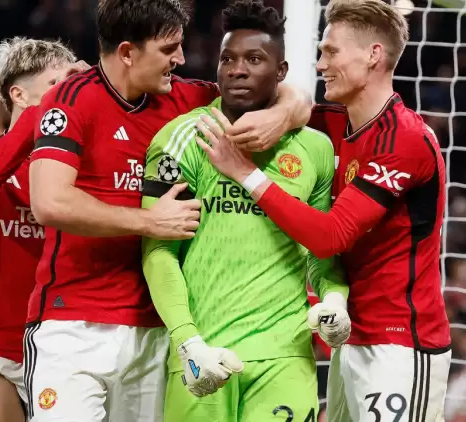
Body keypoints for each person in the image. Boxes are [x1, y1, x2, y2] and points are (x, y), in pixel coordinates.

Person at [25, 0, 311, 420]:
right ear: (127, 52)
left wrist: (283, 115)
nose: (180, 59)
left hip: (155, 330)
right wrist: (148, 220)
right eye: (168, 49)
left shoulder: (183, 98)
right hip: (74, 324)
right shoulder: (70, 99)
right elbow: (49, 202)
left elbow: (281, 92)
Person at [195, 1, 452, 421]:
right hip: (348, 338)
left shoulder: (404, 139)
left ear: (373, 55)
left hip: (400, 343)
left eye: (331, 52)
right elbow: (291, 99)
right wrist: (284, 112)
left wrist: (245, 174)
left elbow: (331, 236)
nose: (320, 65)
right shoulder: (333, 122)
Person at [141, 1, 349, 421]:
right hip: (203, 353)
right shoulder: (183, 138)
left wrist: (335, 299)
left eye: (254, 59)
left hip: (284, 356)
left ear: (282, 71)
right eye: (228, 59)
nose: (237, 70)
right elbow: (159, 251)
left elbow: (320, 249)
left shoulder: (315, 149)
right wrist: (188, 342)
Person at [0, 38, 85, 422]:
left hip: (68, 343)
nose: (67, 94)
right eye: (56, 84)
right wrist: (46, 111)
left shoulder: (78, 162)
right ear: (19, 95)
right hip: (0, 344)